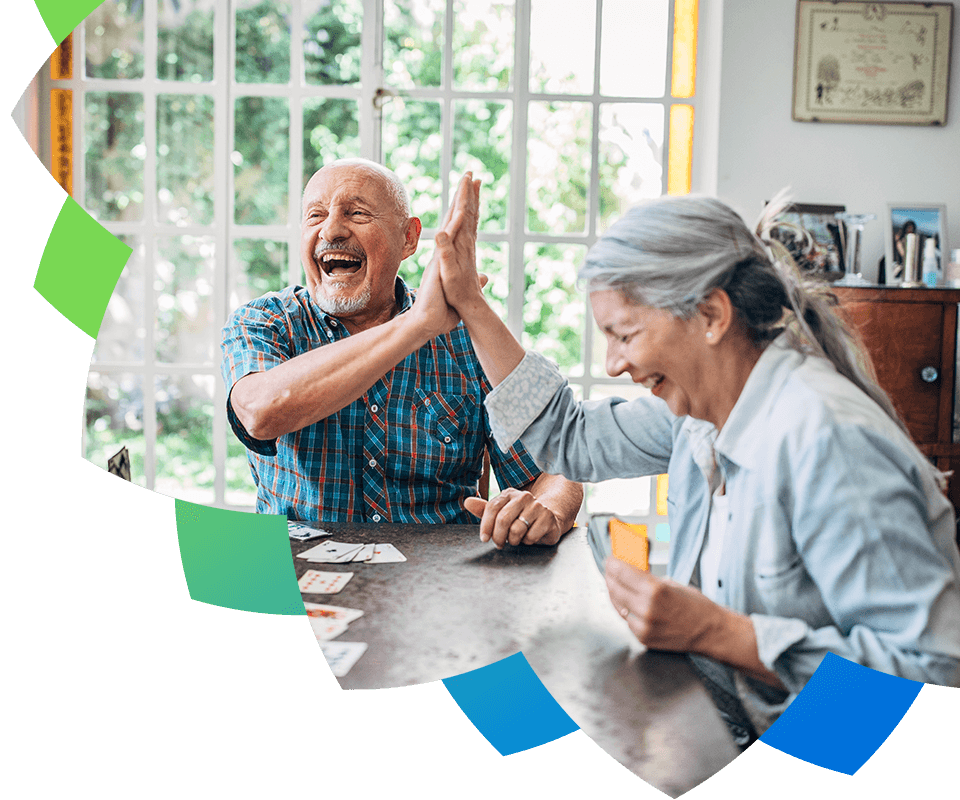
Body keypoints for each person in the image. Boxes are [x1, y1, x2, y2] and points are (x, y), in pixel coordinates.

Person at [424, 179, 960, 739]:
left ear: (710, 315)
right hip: (708, 721)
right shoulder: (700, 412)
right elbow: (571, 436)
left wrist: (715, 632)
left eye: (624, 335)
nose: (612, 364)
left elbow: (930, 675)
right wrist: (469, 302)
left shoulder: (829, 441)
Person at [220, 160, 582, 546]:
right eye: (315, 216)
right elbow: (260, 413)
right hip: (296, 579)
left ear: (408, 239)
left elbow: (552, 469)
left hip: (439, 584)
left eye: (356, 213)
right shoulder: (264, 322)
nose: (331, 229)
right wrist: (416, 325)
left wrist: (547, 511)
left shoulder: (469, 341)